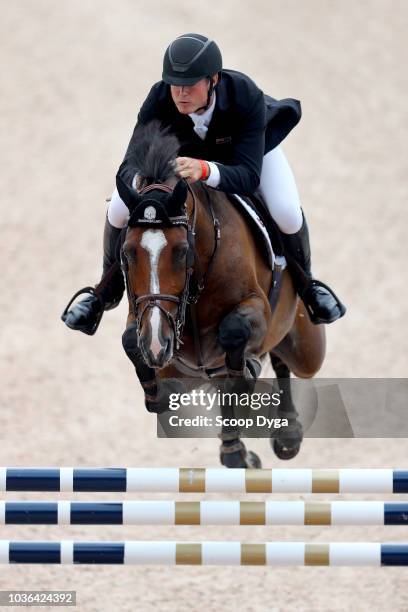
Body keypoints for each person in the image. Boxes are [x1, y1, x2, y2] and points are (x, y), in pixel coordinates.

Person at [62, 33, 345, 335]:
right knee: (118, 209)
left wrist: (206, 170)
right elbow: (129, 164)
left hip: (246, 153)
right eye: (175, 84)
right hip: (187, 158)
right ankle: (103, 293)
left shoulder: (245, 95)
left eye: (191, 84)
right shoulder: (159, 99)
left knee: (286, 211)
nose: (181, 93)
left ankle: (307, 286)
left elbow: (248, 177)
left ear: (213, 80)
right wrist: (141, 185)